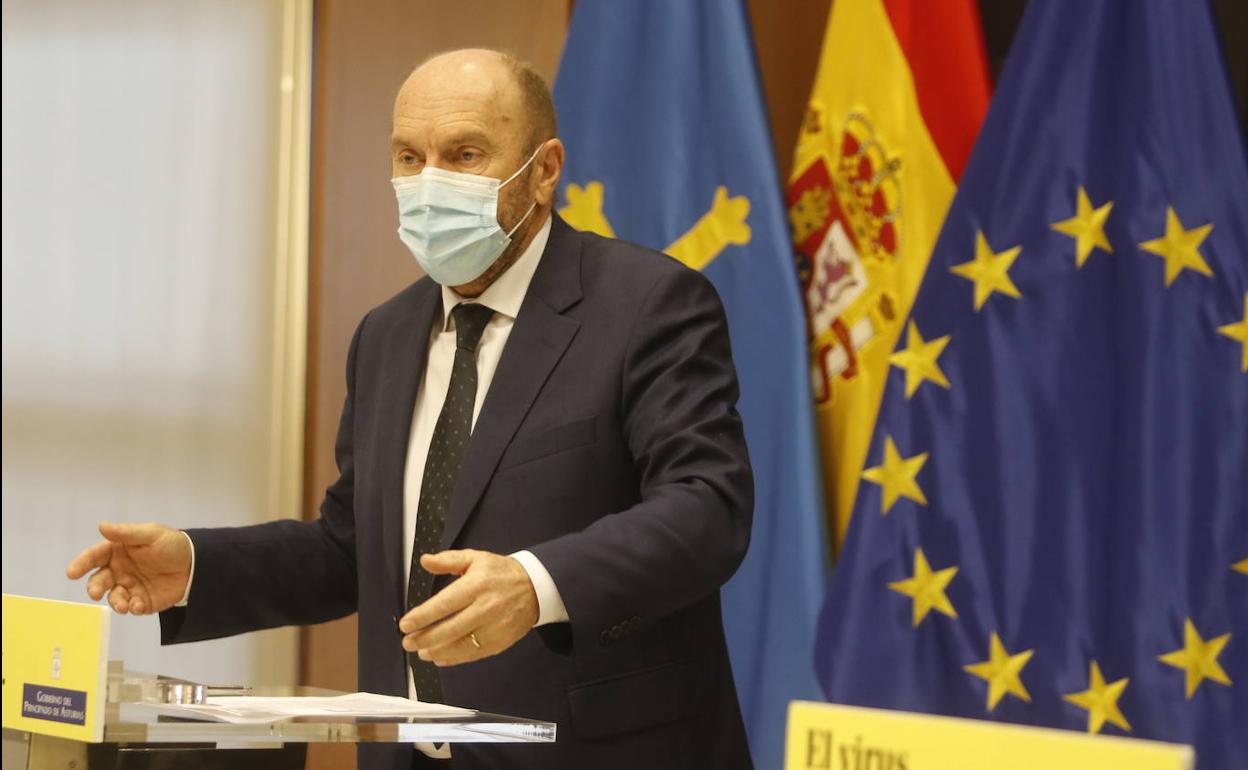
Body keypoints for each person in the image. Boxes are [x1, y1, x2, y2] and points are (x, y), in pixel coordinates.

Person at [66, 48, 754, 770]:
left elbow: (707, 508)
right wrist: (202, 568)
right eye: (409, 157)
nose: (431, 184)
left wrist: (535, 583)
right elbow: (353, 546)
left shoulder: (646, 305)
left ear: (545, 169)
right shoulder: (387, 336)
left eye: (464, 154)